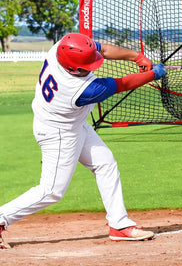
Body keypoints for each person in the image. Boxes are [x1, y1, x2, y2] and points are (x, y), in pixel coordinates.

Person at [0, 33, 166, 249]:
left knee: (105, 163)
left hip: (69, 122)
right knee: (51, 191)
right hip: (59, 133)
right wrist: (153, 74)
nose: (92, 67)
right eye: (86, 66)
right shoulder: (82, 89)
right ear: (72, 69)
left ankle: (119, 224)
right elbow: (123, 83)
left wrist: (137, 56)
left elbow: (103, 50)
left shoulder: (62, 47)